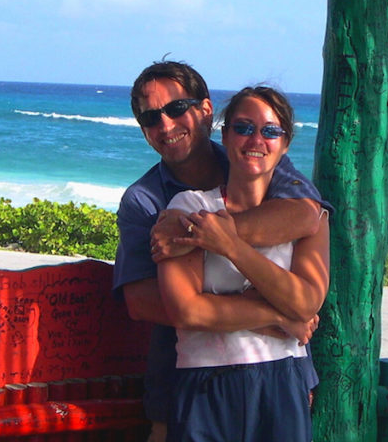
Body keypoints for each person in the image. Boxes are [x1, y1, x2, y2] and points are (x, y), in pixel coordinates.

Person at [112, 61, 329, 442]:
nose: (165, 125)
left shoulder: (258, 158)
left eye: (177, 108)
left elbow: (307, 216)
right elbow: (145, 302)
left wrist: (201, 233)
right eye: (150, 118)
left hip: (282, 376)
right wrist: (277, 316)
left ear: (207, 111)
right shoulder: (145, 201)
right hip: (190, 383)